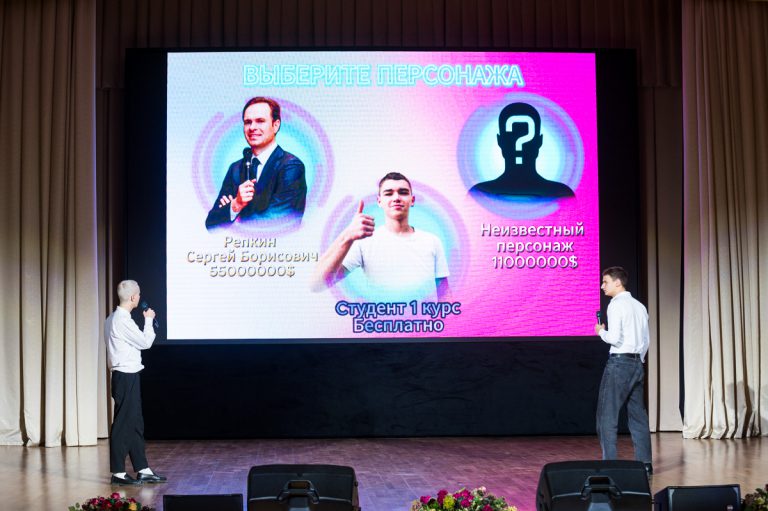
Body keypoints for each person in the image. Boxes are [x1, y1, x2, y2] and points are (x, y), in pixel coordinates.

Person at [312, 172, 450, 303]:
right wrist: (347, 236)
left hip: (424, 320)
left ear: (412, 200)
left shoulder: (432, 241)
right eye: (388, 193)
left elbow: (445, 295)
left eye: (403, 192)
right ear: (379, 201)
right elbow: (317, 284)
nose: (396, 198)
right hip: (381, 320)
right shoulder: (364, 242)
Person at [205, 97, 307, 229]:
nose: (252, 127)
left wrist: (235, 217)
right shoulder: (235, 168)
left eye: (260, 121)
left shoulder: (291, 166)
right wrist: (236, 204)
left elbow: (278, 223)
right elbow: (211, 224)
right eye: (248, 122)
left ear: (275, 125)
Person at [104, 280, 166, 485]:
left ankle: (142, 468)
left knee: (135, 422)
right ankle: (118, 472)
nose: (139, 298)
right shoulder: (121, 320)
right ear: (133, 297)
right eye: (138, 295)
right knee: (123, 423)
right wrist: (148, 320)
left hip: (127, 374)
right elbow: (145, 342)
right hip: (125, 375)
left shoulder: (112, 318)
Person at [594, 266, 653, 475]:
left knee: (606, 416)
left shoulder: (616, 305)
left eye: (605, 282)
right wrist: (639, 360)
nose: (602, 286)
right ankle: (645, 465)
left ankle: (610, 465)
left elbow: (614, 338)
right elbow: (646, 340)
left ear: (618, 282)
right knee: (638, 417)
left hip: (619, 364)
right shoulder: (640, 306)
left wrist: (601, 332)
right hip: (637, 364)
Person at [469, 102, 574, 198]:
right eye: (513, 136)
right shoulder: (561, 193)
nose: (518, 145)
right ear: (539, 141)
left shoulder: (479, 193)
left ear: (500, 140)